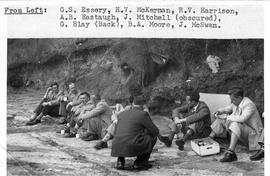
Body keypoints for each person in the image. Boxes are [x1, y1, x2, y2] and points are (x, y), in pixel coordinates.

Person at [209, 87, 263, 162]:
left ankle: (231, 152)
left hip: (253, 136)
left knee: (235, 123)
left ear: (240, 97)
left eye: (233, 99)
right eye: (231, 99)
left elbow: (242, 118)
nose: (232, 101)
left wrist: (226, 117)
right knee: (221, 119)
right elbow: (226, 109)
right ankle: (209, 140)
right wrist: (218, 112)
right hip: (243, 134)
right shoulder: (236, 102)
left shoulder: (249, 105)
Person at [111, 96, 159, 170]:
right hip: (131, 144)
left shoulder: (122, 114)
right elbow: (155, 131)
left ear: (133, 103)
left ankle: (120, 161)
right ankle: (140, 163)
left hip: (116, 144)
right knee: (152, 137)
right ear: (144, 105)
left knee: (123, 135)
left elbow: (116, 131)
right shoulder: (143, 114)